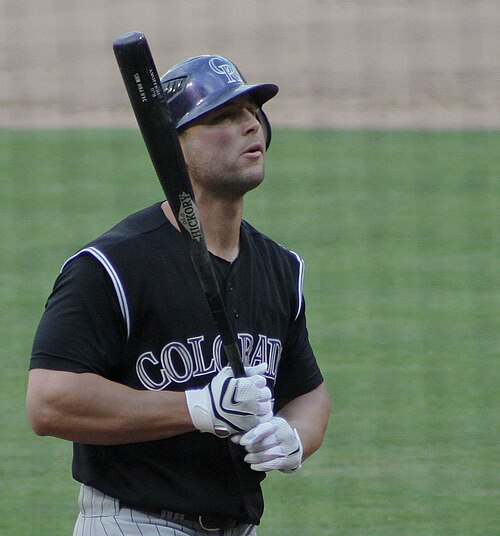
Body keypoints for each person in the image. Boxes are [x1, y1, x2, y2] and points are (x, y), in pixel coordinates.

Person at [27, 54, 330, 536]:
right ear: (173, 148)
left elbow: (308, 391)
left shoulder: (279, 268)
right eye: (222, 117)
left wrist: (294, 436)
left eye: (252, 111)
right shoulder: (112, 266)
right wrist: (196, 409)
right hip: (135, 522)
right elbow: (49, 401)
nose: (250, 125)